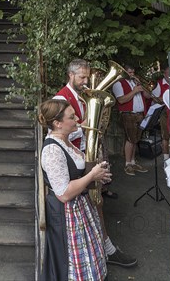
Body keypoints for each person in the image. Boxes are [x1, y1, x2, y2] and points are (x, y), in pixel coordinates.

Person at [53, 59, 137, 268]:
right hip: (74, 160)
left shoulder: (82, 96)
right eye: (81, 77)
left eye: (87, 77)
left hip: (86, 155)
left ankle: (102, 250)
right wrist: (87, 128)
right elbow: (55, 134)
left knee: (96, 202)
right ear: (70, 75)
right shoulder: (60, 99)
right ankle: (104, 251)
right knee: (94, 204)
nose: (85, 81)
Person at [38, 98, 110, 281]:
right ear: (57, 123)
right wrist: (91, 176)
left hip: (80, 207)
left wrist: (98, 175)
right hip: (67, 213)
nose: (77, 118)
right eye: (72, 116)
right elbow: (64, 194)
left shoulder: (66, 138)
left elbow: (75, 173)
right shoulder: (52, 151)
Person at [112, 64, 150, 176]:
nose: (132, 74)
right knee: (130, 139)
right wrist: (134, 91)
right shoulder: (119, 83)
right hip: (128, 115)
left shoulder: (135, 82)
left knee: (136, 139)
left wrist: (143, 86)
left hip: (139, 114)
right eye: (129, 72)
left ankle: (133, 162)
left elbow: (147, 96)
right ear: (124, 72)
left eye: (133, 72)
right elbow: (121, 100)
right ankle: (127, 164)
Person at [152, 65, 170, 162]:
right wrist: (166, 98)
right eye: (168, 74)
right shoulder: (159, 84)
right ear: (164, 74)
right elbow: (154, 99)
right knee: (165, 136)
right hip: (164, 113)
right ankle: (166, 159)